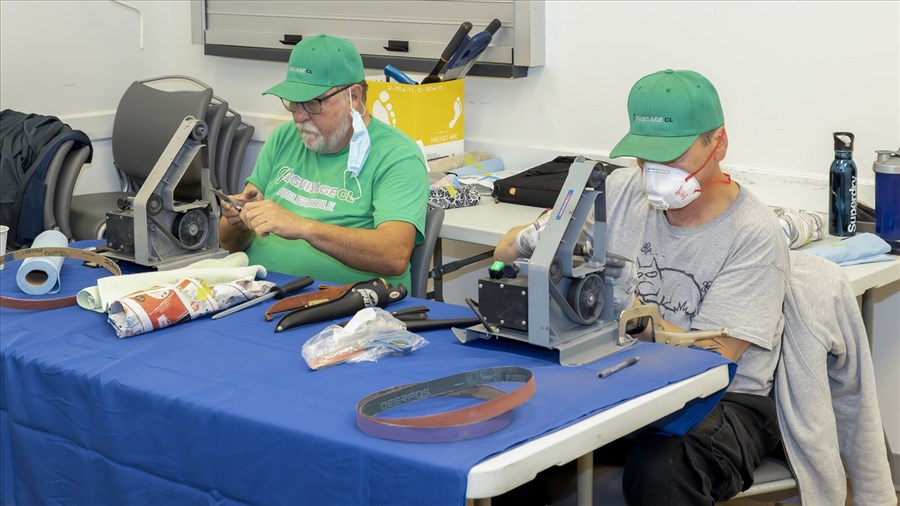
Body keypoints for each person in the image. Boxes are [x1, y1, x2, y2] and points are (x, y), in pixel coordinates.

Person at [494, 69, 790, 505]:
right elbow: (505, 250)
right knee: (516, 443)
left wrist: (626, 311)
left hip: (723, 400)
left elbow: (714, 359)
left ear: (718, 143)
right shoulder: (619, 190)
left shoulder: (752, 234)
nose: (655, 174)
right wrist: (535, 240)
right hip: (618, 375)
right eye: (645, 159)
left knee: (662, 473)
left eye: (672, 157)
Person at [218, 34, 429, 289]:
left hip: (345, 308)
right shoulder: (285, 137)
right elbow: (229, 244)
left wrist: (303, 227)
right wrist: (238, 222)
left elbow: (394, 255)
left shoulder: (396, 155)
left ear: (353, 96)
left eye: (312, 102)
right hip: (257, 291)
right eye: (293, 102)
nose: (298, 115)